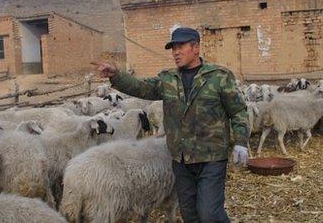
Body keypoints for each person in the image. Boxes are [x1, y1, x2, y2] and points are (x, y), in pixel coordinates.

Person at [92, 27, 249, 223]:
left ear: (196, 47)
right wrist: (116, 75)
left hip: (211, 157)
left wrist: (241, 141)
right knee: (190, 214)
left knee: (209, 214)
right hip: (181, 159)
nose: (175, 52)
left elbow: (237, 110)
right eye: (173, 48)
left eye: (180, 46)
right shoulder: (168, 80)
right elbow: (141, 88)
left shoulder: (219, 77)